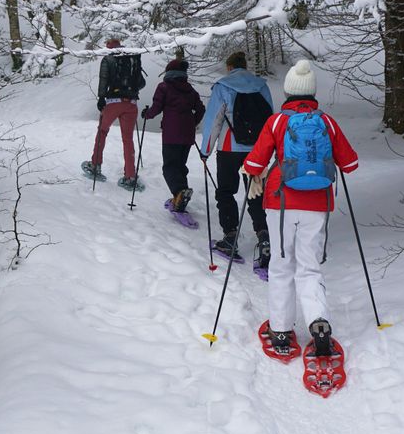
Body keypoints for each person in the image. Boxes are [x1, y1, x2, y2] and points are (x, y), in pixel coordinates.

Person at [241, 59, 359, 356]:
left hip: (280, 203)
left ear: (288, 91)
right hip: (317, 203)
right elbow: (351, 163)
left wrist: (255, 169)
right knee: (309, 266)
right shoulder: (327, 121)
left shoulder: (278, 121)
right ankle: (319, 321)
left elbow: (254, 163)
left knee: (282, 266)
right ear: (312, 91)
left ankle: (280, 329)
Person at [198, 51, 273, 268]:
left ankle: (230, 237)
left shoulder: (223, 86)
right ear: (245, 66)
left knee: (226, 191)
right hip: (256, 152)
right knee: (256, 194)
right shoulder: (261, 86)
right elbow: (270, 119)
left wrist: (206, 151)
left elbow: (214, 121)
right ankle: (264, 238)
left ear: (230, 67)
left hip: (229, 149)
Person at [142, 58, 205, 211]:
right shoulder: (190, 90)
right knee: (180, 165)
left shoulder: (164, 87)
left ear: (169, 72)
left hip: (171, 133)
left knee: (170, 166)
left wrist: (146, 114)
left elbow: (156, 108)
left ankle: (179, 193)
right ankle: (182, 194)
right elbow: (201, 109)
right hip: (188, 133)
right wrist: (193, 123)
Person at [82, 38, 145, 190]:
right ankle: (130, 176)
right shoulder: (132, 58)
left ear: (109, 48)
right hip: (131, 104)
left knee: (102, 131)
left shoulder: (108, 58)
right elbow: (141, 83)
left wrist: (101, 98)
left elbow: (103, 79)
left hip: (113, 102)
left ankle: (95, 165)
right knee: (128, 140)